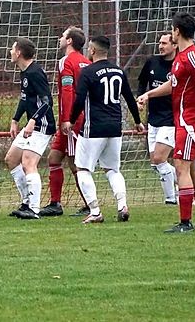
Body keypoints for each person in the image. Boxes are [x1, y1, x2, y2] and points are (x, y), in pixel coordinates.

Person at [139, 12, 195, 233]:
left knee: (180, 167)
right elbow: (172, 85)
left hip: (190, 121)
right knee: (190, 168)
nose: (171, 32)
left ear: (178, 31)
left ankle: (185, 222)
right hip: (181, 119)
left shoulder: (193, 58)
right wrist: (149, 95)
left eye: (172, 29)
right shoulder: (180, 58)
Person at [62, 35, 142, 224]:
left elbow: (80, 99)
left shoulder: (88, 73)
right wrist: (137, 121)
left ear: (93, 50)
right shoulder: (118, 71)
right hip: (115, 127)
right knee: (113, 169)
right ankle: (122, 205)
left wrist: (70, 121)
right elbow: (130, 98)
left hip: (94, 127)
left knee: (82, 169)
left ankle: (95, 211)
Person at [39, 26, 91, 217]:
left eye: (63, 36)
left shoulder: (65, 61)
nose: (59, 38)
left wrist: (67, 118)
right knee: (53, 158)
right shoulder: (86, 62)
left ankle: (90, 204)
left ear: (69, 41)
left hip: (71, 121)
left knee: (75, 163)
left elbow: (68, 91)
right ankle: (55, 203)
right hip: (78, 119)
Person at [5, 37, 56, 220]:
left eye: (12, 49)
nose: (10, 52)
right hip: (32, 124)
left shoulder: (35, 72)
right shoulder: (25, 72)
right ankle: (26, 202)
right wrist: (15, 119)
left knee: (28, 163)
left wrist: (33, 120)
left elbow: (47, 102)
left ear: (18, 53)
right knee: (11, 159)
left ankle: (34, 209)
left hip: (42, 125)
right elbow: (25, 98)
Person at [137, 32, 178, 205]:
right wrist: (140, 99)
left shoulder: (178, 65)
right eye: (159, 43)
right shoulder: (151, 62)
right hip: (153, 119)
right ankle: (186, 182)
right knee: (156, 164)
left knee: (160, 159)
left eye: (165, 43)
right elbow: (141, 82)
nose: (160, 46)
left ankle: (172, 198)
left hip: (170, 120)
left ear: (174, 45)